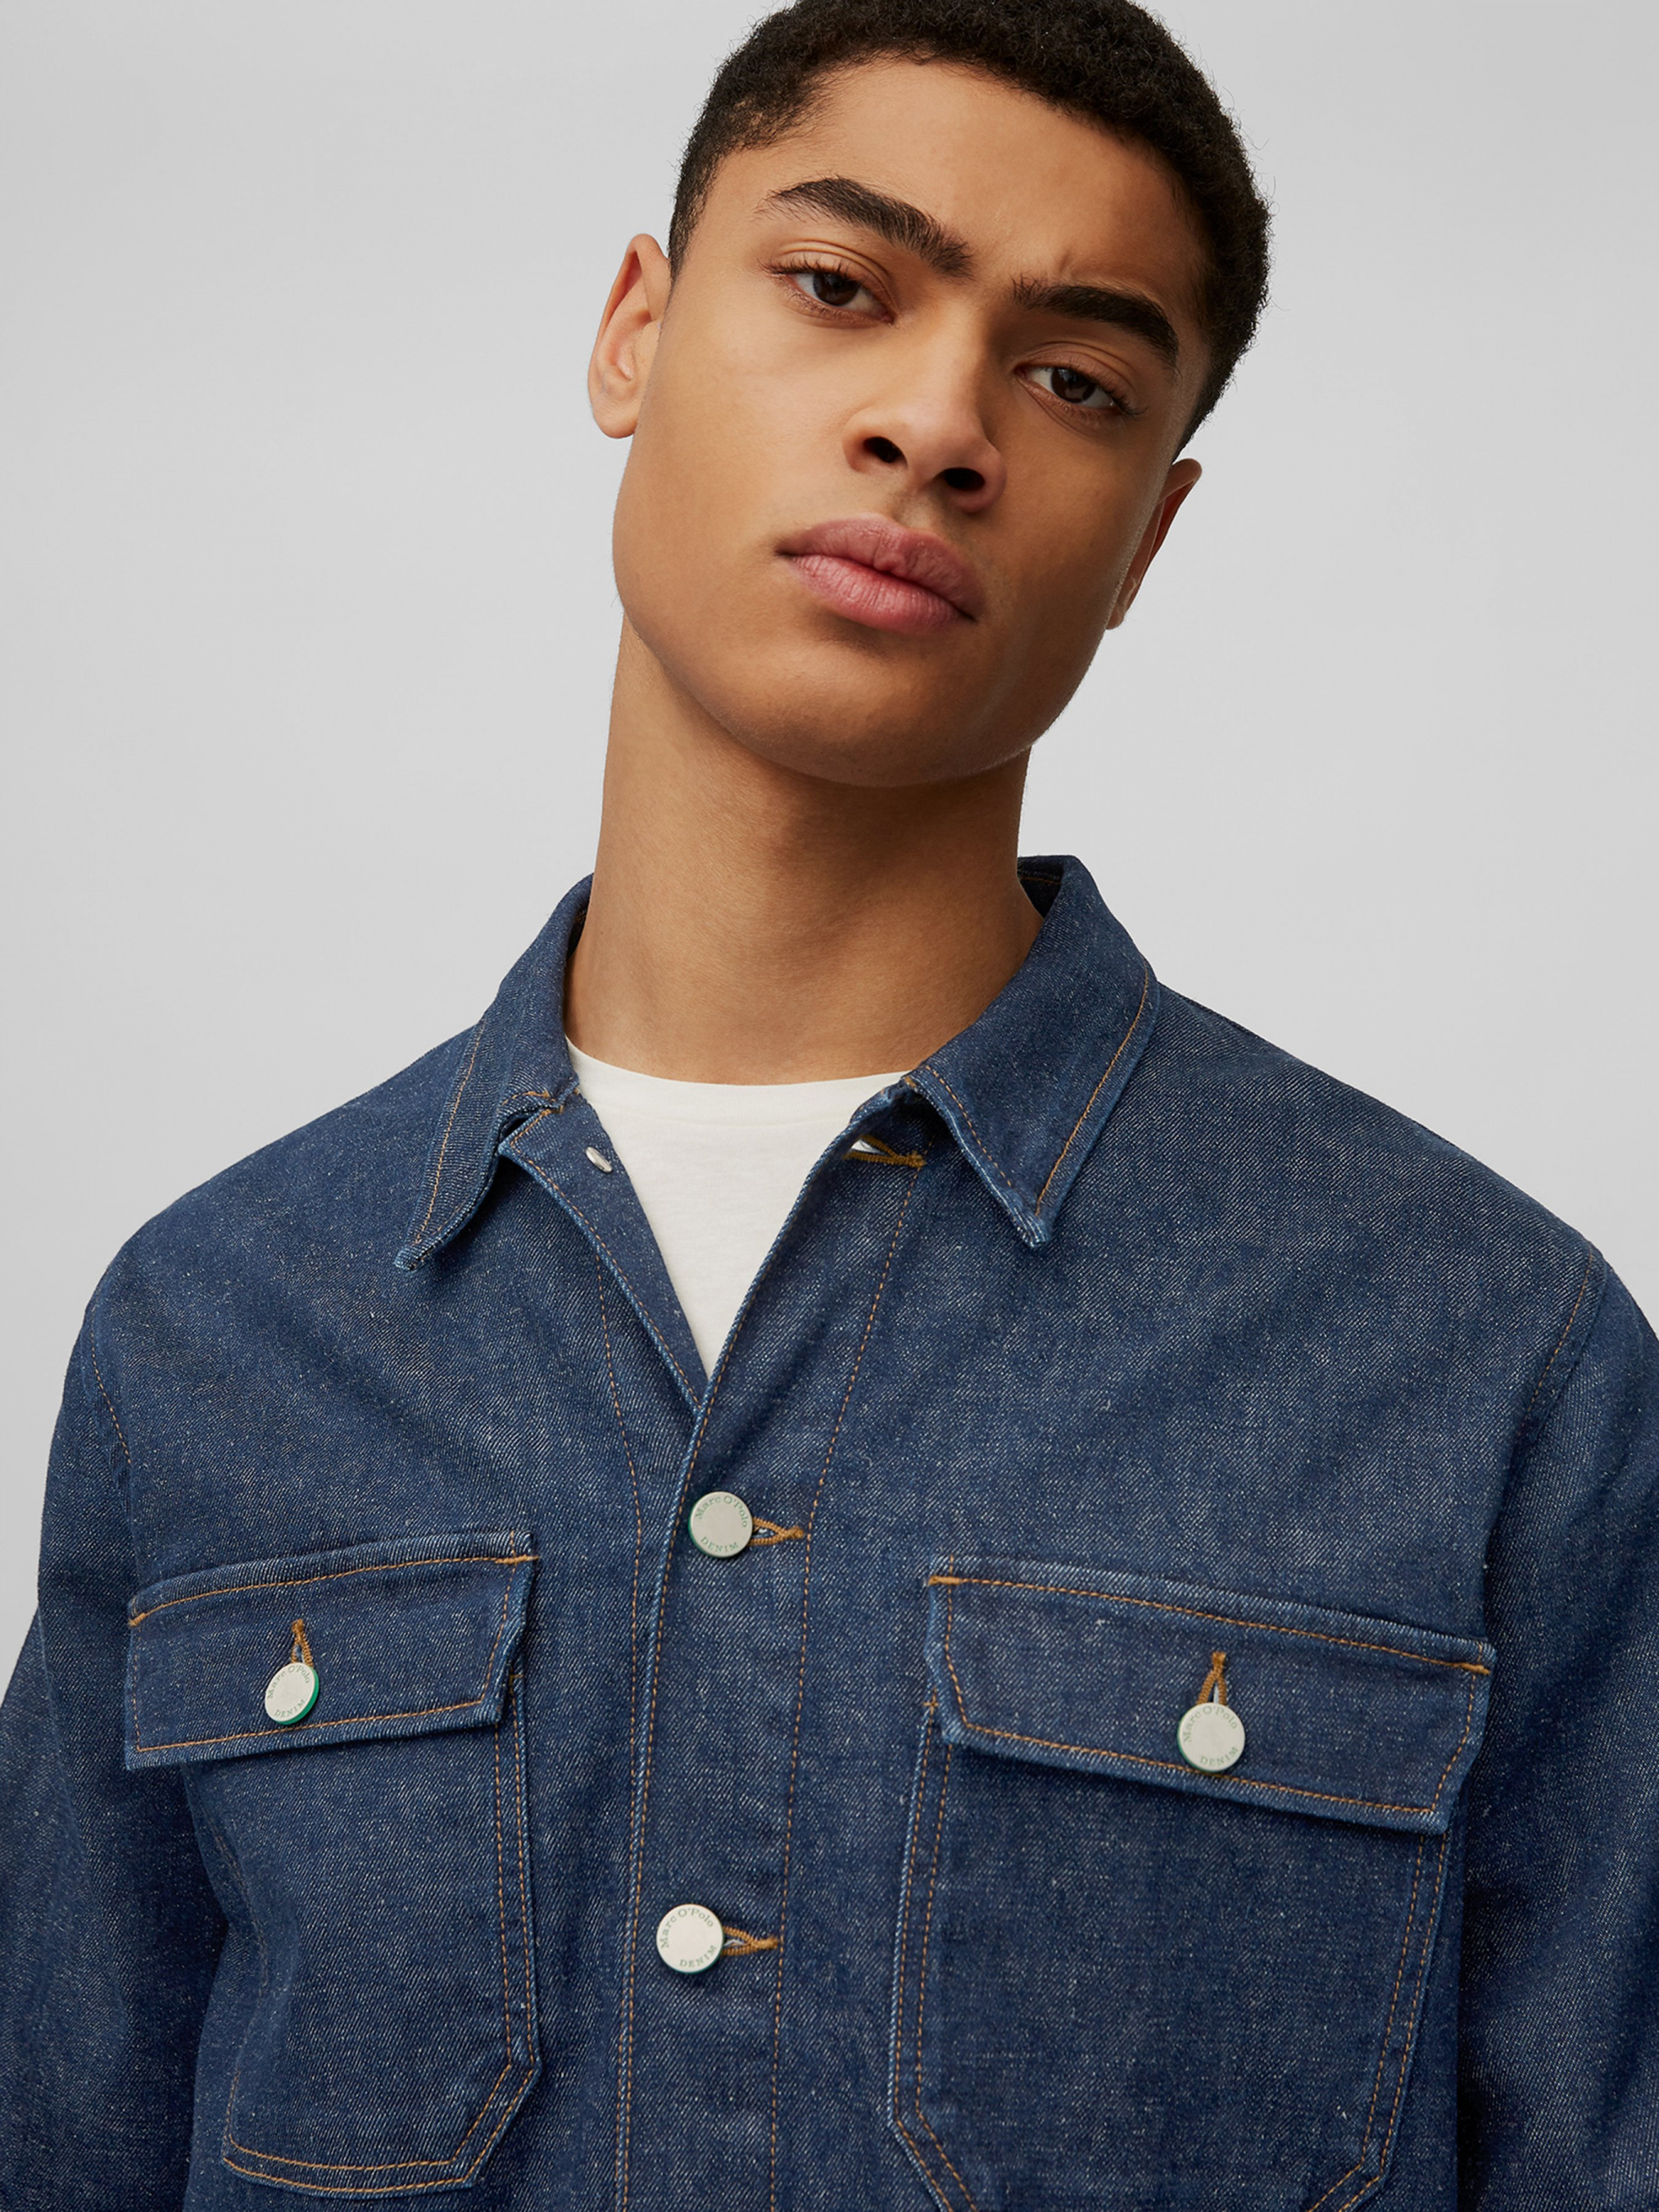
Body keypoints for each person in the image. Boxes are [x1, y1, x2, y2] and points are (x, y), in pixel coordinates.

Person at [2, 0, 1653, 2204]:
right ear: (633, 330)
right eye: (840, 284)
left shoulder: (1491, 1358)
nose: (937, 422)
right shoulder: (213, 1329)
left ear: (1147, 541)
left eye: (1074, 379)